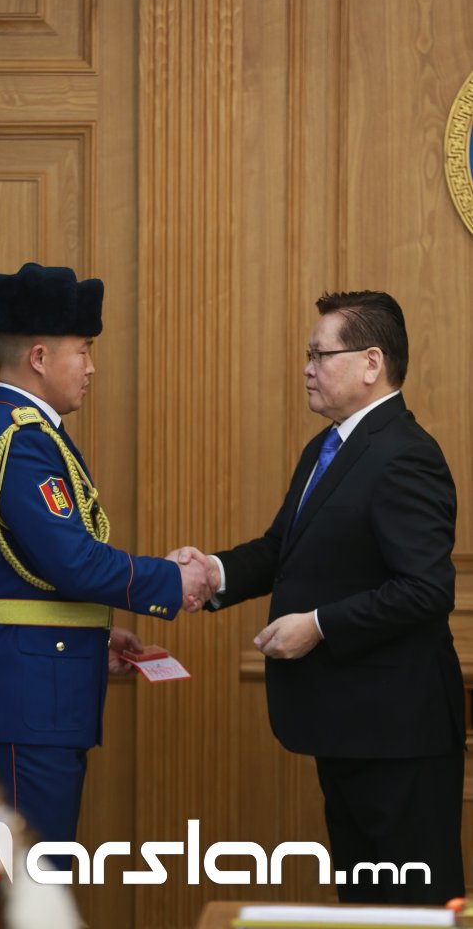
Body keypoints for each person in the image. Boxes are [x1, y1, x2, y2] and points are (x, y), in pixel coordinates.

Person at [177, 291, 465, 904]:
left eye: (319, 355)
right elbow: (282, 549)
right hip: (348, 726)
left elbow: (426, 590)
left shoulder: (406, 454)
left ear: (371, 363)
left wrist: (318, 624)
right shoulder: (327, 447)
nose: (307, 369)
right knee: (364, 905)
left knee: (412, 908)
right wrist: (213, 572)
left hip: (398, 733)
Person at [0, 262, 208, 867]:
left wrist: (93, 633)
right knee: (23, 888)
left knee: (17, 882)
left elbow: (39, 572)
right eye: (84, 350)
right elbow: (75, 562)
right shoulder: (22, 439)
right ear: (40, 358)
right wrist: (176, 581)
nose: (91, 367)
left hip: (33, 690)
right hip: (26, 702)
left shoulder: (27, 432)